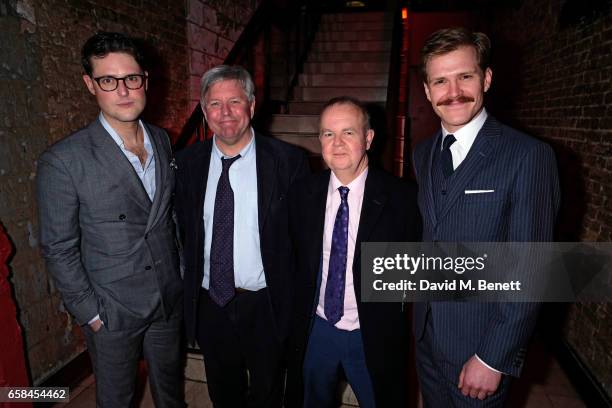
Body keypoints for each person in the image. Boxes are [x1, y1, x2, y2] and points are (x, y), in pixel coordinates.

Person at [412, 27, 560, 406]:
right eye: (440, 81)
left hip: (479, 348)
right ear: (427, 91)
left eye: (465, 76)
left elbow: (532, 267)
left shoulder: (528, 155)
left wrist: (495, 356)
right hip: (426, 339)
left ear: (487, 78)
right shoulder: (422, 153)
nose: (454, 91)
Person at [37, 32, 184, 408]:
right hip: (113, 308)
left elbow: (166, 217)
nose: (123, 90)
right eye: (108, 80)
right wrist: (91, 312)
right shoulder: (65, 160)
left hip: (167, 297)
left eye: (131, 78)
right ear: (91, 85)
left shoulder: (162, 139)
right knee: (117, 400)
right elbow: (58, 247)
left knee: (171, 392)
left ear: (145, 80)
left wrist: (179, 271)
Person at [174, 65, 310, 408]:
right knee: (223, 392)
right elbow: (182, 233)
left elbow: (304, 241)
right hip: (210, 303)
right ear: (204, 113)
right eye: (215, 105)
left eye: (234, 101)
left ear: (251, 104)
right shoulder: (187, 163)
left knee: (267, 393)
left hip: (265, 303)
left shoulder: (288, 162)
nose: (226, 113)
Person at [287, 96, 421, 408]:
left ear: (369, 138)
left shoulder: (403, 199)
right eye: (328, 134)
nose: (337, 143)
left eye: (348, 132)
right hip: (317, 329)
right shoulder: (302, 193)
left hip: (371, 332)